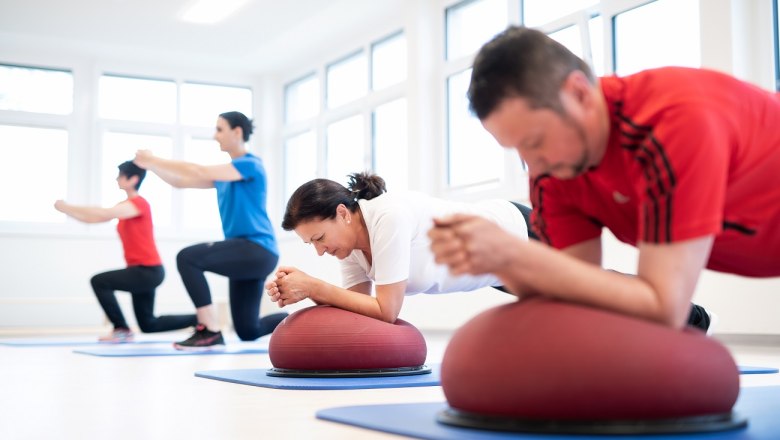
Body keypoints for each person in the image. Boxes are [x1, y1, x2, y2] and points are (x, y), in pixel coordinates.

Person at [428, 26, 780, 331]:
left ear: (580, 94)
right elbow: (573, 290)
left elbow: (666, 308)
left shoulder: (671, 123)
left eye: (535, 142)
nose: (531, 163)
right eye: (517, 149)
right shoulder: (553, 172)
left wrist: (515, 253)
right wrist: (501, 263)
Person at [264, 171, 532, 323]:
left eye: (320, 238)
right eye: (311, 244)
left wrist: (314, 286)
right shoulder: (349, 247)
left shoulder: (388, 217)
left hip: (521, 233)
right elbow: (356, 307)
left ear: (343, 214)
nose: (320, 251)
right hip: (501, 273)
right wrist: (306, 291)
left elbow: (386, 311)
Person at [133, 111, 286, 350]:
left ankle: (209, 330)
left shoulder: (250, 164)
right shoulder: (225, 175)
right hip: (245, 253)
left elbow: (198, 170)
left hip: (256, 248)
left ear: (237, 132)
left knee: (188, 257)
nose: (215, 136)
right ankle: (302, 317)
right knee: (248, 330)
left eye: (220, 129)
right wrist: (151, 168)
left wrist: (154, 159)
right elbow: (180, 181)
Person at [54, 161, 197, 342]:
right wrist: (66, 212)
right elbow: (94, 218)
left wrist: (67, 207)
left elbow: (103, 212)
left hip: (147, 271)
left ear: (133, 179)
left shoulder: (139, 204)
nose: (117, 179)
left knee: (99, 281)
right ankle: (199, 319)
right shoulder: (124, 207)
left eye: (120, 175)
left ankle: (121, 329)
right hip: (142, 271)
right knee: (148, 325)